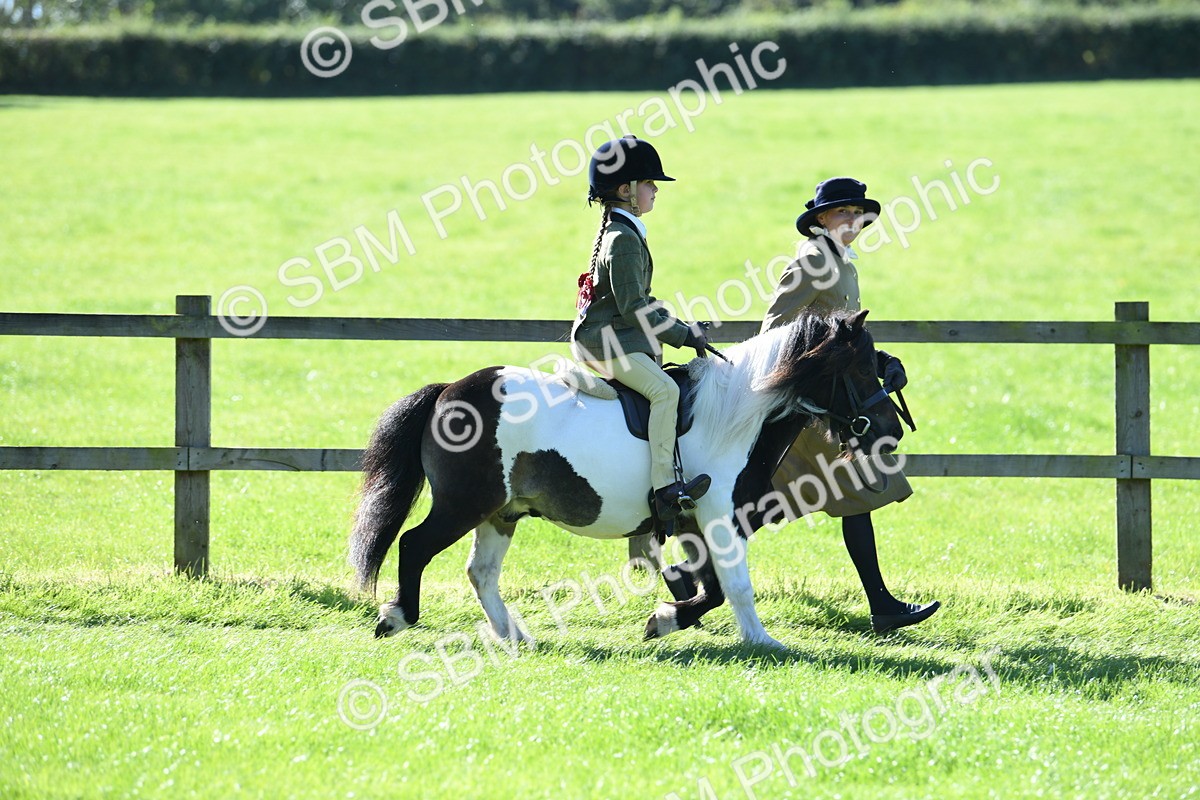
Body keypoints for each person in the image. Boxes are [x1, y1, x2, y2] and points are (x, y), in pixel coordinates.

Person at [762, 176, 940, 634]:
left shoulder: (842, 261)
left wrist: (880, 362)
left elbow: (842, 334)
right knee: (818, 494)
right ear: (820, 218)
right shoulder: (813, 261)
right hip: (814, 407)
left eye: (858, 214)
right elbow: (776, 330)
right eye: (843, 212)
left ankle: (692, 572)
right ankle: (883, 607)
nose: (853, 221)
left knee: (777, 500)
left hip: (830, 404)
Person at [571, 135, 711, 522]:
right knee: (665, 391)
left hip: (614, 337)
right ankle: (665, 486)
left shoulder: (623, 231)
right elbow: (635, 307)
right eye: (650, 185)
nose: (654, 192)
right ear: (626, 190)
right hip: (606, 343)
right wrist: (684, 335)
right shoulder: (624, 240)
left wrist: (679, 327)